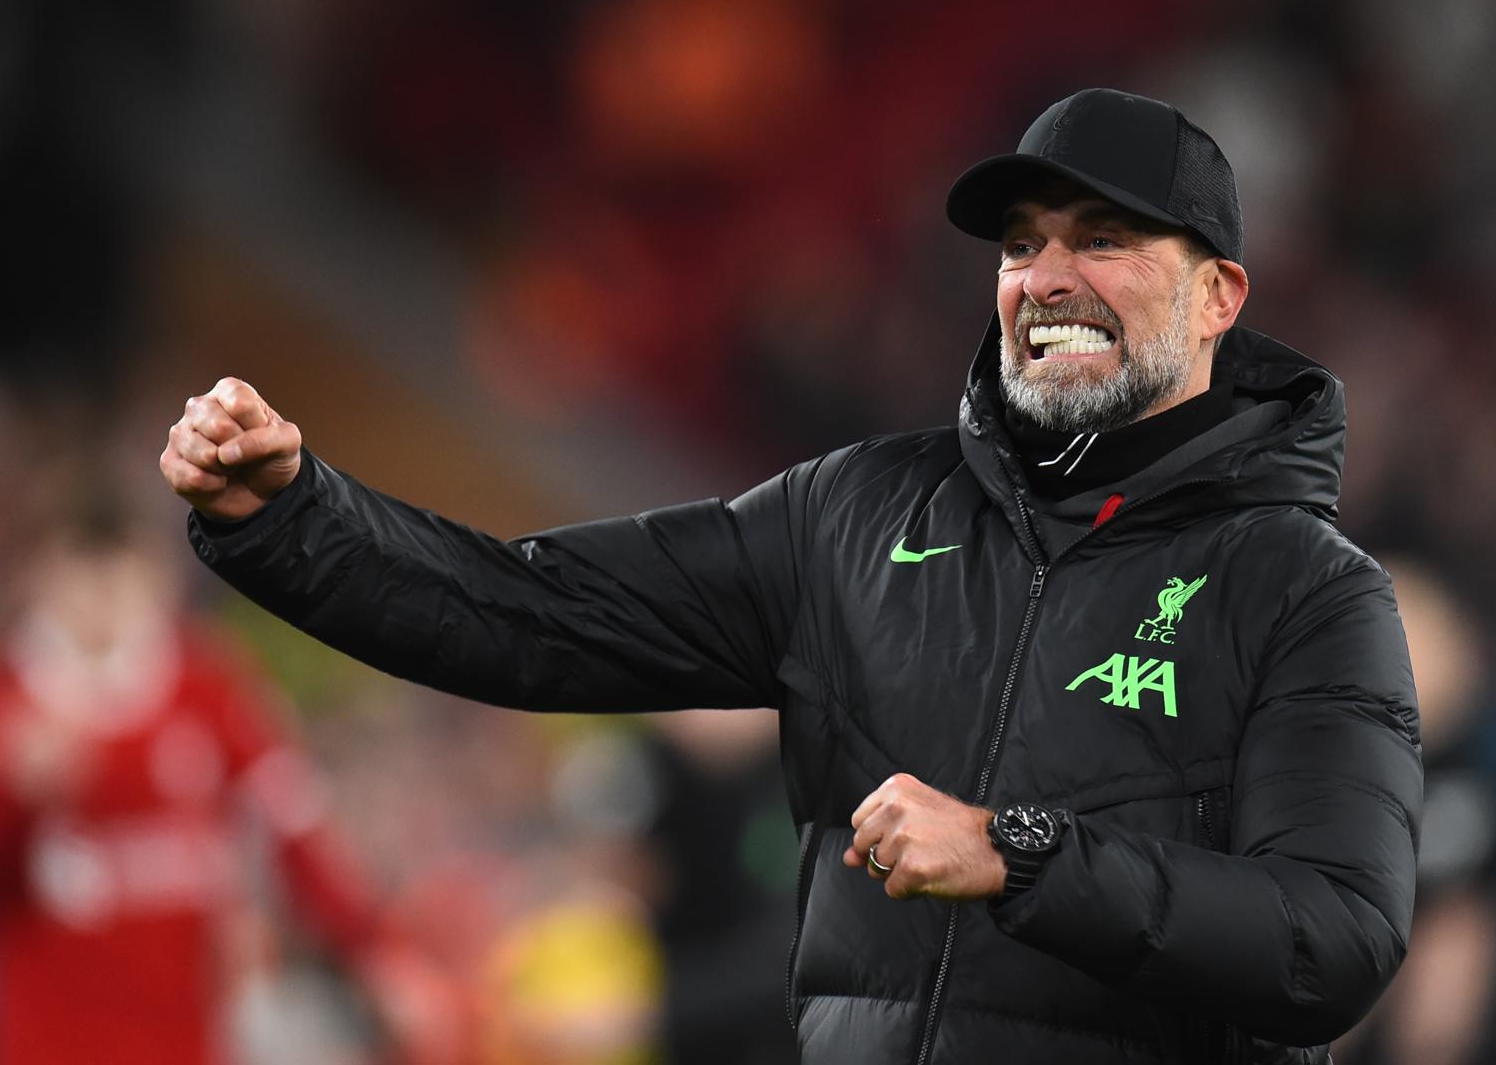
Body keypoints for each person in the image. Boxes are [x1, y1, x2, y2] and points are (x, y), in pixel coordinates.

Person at [160, 88, 1422, 1064]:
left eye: (1103, 239)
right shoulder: (855, 513)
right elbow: (527, 613)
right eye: (1020, 246)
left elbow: (1334, 939)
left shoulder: (1308, 593)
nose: (1043, 279)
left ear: (1219, 296)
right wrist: (290, 518)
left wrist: (1025, 853)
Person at [0, 492, 458, 1065]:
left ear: (158, 577)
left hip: (185, 1044)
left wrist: (378, 952)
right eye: (83, 576)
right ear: (39, 579)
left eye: (123, 576)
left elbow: (297, 831)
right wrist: (9, 797)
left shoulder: (210, 691)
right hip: (45, 1046)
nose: (104, 600)